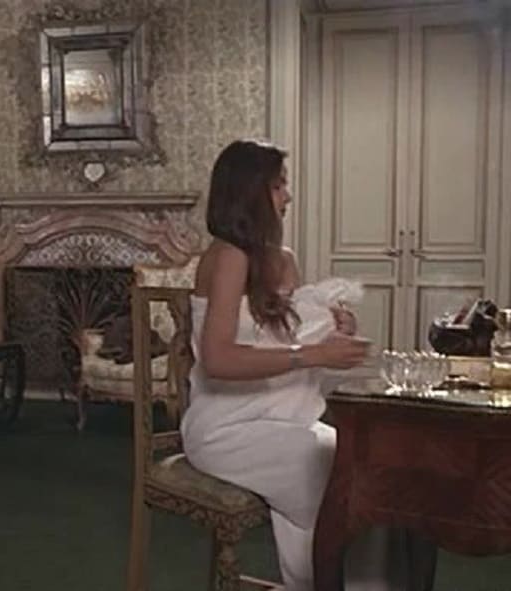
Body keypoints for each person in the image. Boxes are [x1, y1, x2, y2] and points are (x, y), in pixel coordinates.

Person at [182, 139, 435, 590]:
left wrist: (330, 329)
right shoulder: (227, 257)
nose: (289, 196)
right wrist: (312, 353)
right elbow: (218, 359)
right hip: (224, 427)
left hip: (283, 422)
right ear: (249, 191)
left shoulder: (283, 261)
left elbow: (285, 343)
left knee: (377, 464)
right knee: (339, 478)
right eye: (278, 185)